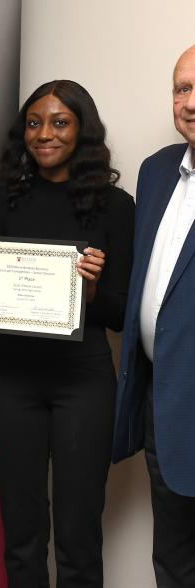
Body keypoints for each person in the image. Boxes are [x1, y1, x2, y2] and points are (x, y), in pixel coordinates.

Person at [0, 80, 134, 587]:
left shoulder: (116, 207)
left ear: (83, 131)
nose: (44, 134)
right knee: (22, 534)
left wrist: (91, 293)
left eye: (59, 122)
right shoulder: (3, 201)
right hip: (13, 381)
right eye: (34, 123)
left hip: (84, 383)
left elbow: (120, 313)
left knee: (77, 536)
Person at [113, 45, 195, 587]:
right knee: (174, 562)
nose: (189, 102)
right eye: (182, 88)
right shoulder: (158, 171)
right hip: (164, 407)